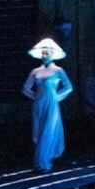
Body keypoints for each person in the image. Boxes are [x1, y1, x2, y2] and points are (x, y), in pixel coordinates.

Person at [21, 38, 73, 172]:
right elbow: (25, 88)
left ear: (52, 54)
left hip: (51, 104)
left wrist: (57, 97)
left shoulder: (58, 70)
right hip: (39, 104)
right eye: (43, 53)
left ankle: (43, 162)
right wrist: (35, 97)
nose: (44, 56)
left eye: (47, 53)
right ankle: (41, 161)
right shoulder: (35, 71)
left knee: (48, 131)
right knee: (39, 130)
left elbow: (68, 87)